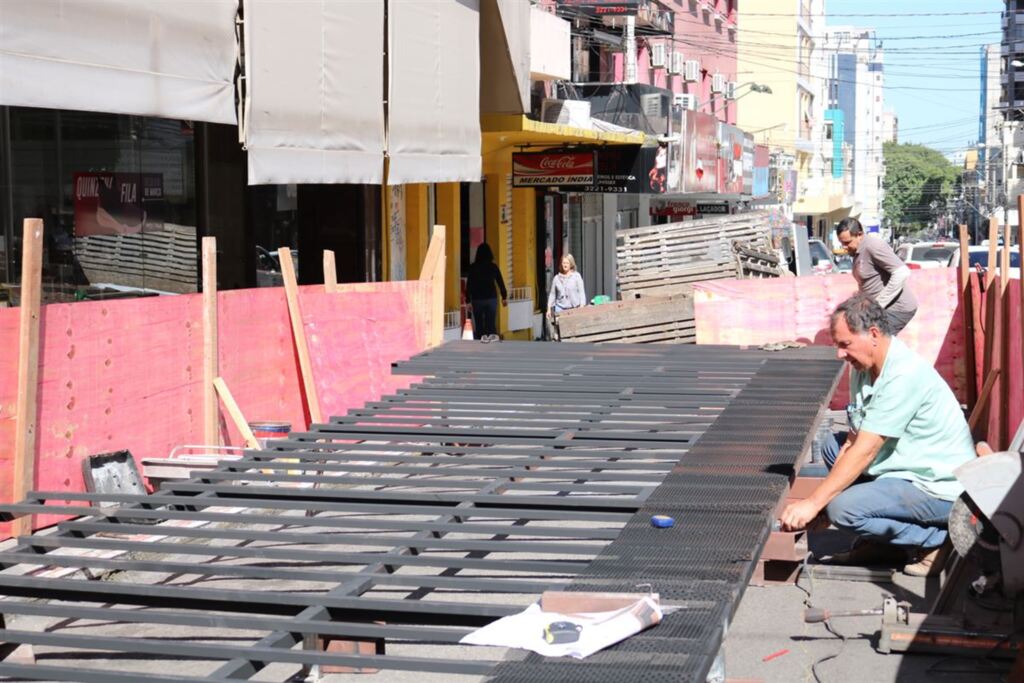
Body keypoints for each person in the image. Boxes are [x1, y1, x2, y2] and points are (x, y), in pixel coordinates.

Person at [779, 294, 975, 576]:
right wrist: (818, 504)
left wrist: (815, 503)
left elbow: (867, 450)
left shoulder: (903, 375)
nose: (839, 354)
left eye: (845, 344)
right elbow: (852, 440)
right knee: (833, 449)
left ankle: (937, 540)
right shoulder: (866, 365)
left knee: (844, 510)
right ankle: (885, 544)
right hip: (909, 463)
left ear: (873, 334)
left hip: (940, 488)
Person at [835, 217, 917, 334]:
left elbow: (901, 272)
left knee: (874, 343)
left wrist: (877, 305)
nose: (844, 247)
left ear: (859, 235)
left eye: (847, 242)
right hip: (878, 310)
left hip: (897, 308)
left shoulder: (873, 245)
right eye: (842, 243)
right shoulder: (858, 250)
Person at [466, 243, 507, 342]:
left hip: (477, 299)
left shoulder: (473, 267)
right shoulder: (493, 267)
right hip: (491, 298)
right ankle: (491, 339)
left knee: (479, 323)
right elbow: (500, 282)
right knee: (490, 322)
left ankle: (481, 340)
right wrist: (504, 297)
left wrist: (468, 300)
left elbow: (469, 285)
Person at [546, 254, 586, 320]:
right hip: (560, 309)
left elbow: (582, 293)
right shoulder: (556, 278)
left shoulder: (576, 276)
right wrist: (549, 309)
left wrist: (581, 307)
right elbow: (552, 294)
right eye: (564, 263)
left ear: (571, 264)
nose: (565, 265)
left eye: (567, 263)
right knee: (560, 329)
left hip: (574, 309)